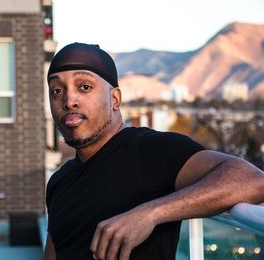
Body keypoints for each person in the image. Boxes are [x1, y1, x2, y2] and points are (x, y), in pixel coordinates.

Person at [43, 42, 264, 260]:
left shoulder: (149, 150)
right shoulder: (59, 181)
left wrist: (150, 214)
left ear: (114, 99)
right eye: (57, 90)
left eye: (84, 87)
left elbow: (252, 181)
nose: (69, 100)